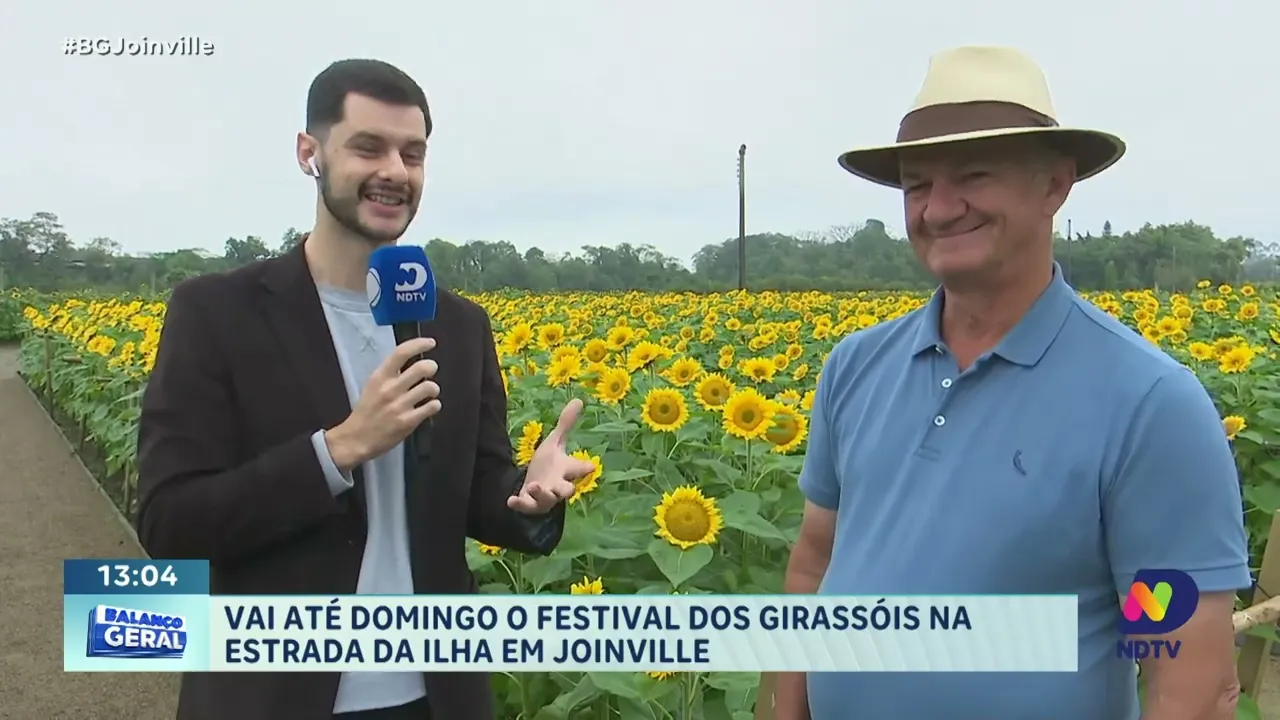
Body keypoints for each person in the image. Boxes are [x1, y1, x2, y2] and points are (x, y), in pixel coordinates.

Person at [774, 46, 1251, 719]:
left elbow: (1189, 678)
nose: (939, 209)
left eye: (973, 175)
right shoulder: (855, 367)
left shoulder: (1147, 404)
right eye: (917, 185)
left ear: (1054, 185)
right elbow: (813, 567)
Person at [134, 58, 596, 720]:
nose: (395, 171)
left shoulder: (457, 325)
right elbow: (171, 523)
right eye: (368, 147)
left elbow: (476, 494)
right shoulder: (218, 314)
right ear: (309, 154)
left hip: (435, 696)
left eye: (413, 154)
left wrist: (530, 494)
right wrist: (338, 450)